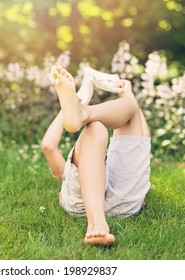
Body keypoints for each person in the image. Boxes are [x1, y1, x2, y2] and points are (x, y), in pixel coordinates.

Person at [41, 65, 151, 246]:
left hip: (79, 205)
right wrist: (128, 95)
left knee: (95, 129)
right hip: (124, 204)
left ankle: (82, 112)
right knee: (129, 109)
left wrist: (66, 110)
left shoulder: (65, 176)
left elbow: (47, 146)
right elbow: (141, 134)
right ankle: (81, 112)